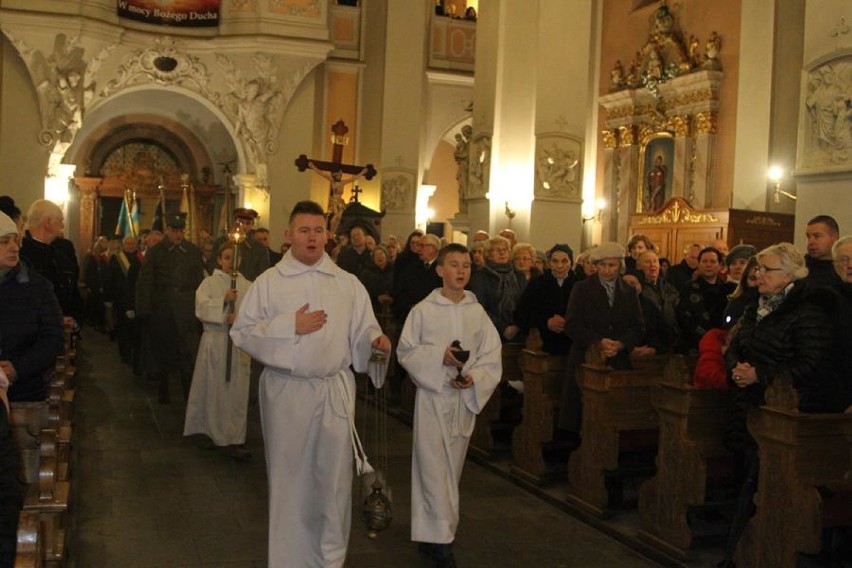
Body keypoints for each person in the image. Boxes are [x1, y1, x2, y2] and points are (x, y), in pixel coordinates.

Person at [230, 200, 390, 567]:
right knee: (290, 482)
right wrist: (290, 327)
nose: (312, 238)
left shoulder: (347, 284)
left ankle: (329, 560)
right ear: (289, 235)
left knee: (334, 483)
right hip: (288, 393)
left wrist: (375, 343)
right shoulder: (269, 283)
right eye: (304, 230)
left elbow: (365, 329)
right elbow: (242, 332)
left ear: (328, 235)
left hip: (334, 390)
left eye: (318, 230)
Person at [719, 242, 844, 567]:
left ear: (789, 274)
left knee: (768, 490)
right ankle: (741, 552)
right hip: (750, 408)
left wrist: (760, 374)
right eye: (758, 269)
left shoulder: (808, 310)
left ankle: (762, 553)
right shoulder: (756, 307)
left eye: (766, 269)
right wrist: (737, 367)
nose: (758, 275)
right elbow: (735, 343)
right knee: (747, 484)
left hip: (785, 414)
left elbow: (812, 363)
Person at [398, 243, 501, 568]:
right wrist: (437, 356)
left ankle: (432, 536)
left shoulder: (476, 311)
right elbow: (406, 351)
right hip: (433, 399)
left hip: (461, 400)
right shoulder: (423, 311)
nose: (461, 271)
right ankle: (441, 540)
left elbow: (490, 355)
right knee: (432, 468)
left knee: (450, 469)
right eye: (454, 265)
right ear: (440, 270)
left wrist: (474, 378)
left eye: (467, 265)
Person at [557, 243, 645, 442]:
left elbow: (638, 327)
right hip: (586, 359)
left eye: (612, 266)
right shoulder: (582, 288)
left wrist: (621, 344)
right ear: (596, 265)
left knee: (612, 416)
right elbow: (572, 325)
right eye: (603, 265)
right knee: (582, 416)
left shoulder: (628, 291)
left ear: (619, 266)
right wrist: (598, 342)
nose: (607, 270)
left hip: (617, 360)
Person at [184, 242, 252, 461]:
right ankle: (211, 431)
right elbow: (201, 308)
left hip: (237, 344)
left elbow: (255, 314)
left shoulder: (248, 286)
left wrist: (238, 320)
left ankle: (235, 436)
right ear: (219, 259)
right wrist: (223, 303)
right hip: (215, 342)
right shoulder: (209, 283)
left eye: (234, 257)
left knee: (236, 393)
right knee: (214, 389)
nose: (230, 261)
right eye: (226, 257)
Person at [136, 212, 205, 404]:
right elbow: (146, 281)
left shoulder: (191, 251)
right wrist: (144, 309)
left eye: (181, 231)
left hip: (186, 307)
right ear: (168, 230)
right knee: (164, 349)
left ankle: (187, 390)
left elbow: (199, 281)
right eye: (174, 231)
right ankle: (163, 386)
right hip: (162, 307)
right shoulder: (157, 252)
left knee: (187, 351)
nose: (178, 235)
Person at [0, 212, 64, 403]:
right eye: (4, 241)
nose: (14, 247)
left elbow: (53, 337)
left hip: (23, 392)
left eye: (16, 240)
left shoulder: (38, 287)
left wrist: (18, 368)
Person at [20, 199, 83, 327]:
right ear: (48, 223)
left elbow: (73, 291)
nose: (63, 226)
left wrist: (75, 321)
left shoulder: (63, 253)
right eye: (60, 220)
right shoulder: (20, 253)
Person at [515, 244, 577, 355]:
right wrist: (546, 322)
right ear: (549, 263)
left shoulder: (579, 284)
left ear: (571, 263)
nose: (559, 266)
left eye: (564, 261)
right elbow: (521, 314)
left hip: (572, 346)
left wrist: (569, 323)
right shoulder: (537, 283)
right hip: (542, 346)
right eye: (555, 261)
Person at [470, 235, 527, 344]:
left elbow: (526, 303)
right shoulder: (480, 277)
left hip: (519, 333)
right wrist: (503, 328)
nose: (502, 253)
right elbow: (479, 307)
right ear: (488, 254)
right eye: (497, 250)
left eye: (505, 250)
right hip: (491, 332)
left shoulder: (518, 275)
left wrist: (517, 325)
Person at [676, 247, 728, 353]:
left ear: (720, 266)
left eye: (713, 261)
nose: (708, 265)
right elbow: (683, 318)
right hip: (693, 345)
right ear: (699, 264)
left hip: (721, 345)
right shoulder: (688, 289)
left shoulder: (726, 290)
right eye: (704, 261)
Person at [105, 235, 142, 371]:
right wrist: (109, 299)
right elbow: (110, 279)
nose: (131, 246)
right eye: (128, 244)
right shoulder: (117, 258)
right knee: (124, 328)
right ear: (123, 245)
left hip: (136, 298)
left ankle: (133, 353)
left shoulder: (139, 258)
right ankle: (125, 354)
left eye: (133, 243)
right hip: (121, 298)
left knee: (134, 329)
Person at [207, 208, 270, 281]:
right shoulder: (221, 242)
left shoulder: (259, 248)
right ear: (234, 223)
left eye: (248, 223)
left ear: (252, 225)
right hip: (223, 282)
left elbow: (263, 271)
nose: (244, 226)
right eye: (240, 222)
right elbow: (213, 264)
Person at [637, 250, 680, 353]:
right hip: (646, 341)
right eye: (647, 262)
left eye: (655, 261)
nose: (652, 265)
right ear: (639, 266)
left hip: (668, 341)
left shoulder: (669, 287)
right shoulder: (638, 288)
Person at [805, 214, 842, 289]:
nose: (811, 242)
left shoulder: (844, 268)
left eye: (817, 236)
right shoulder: (800, 267)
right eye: (808, 237)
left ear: (834, 237)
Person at [722, 256, 760, 329]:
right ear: (745, 280)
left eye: (760, 278)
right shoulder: (736, 302)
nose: (757, 283)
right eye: (753, 278)